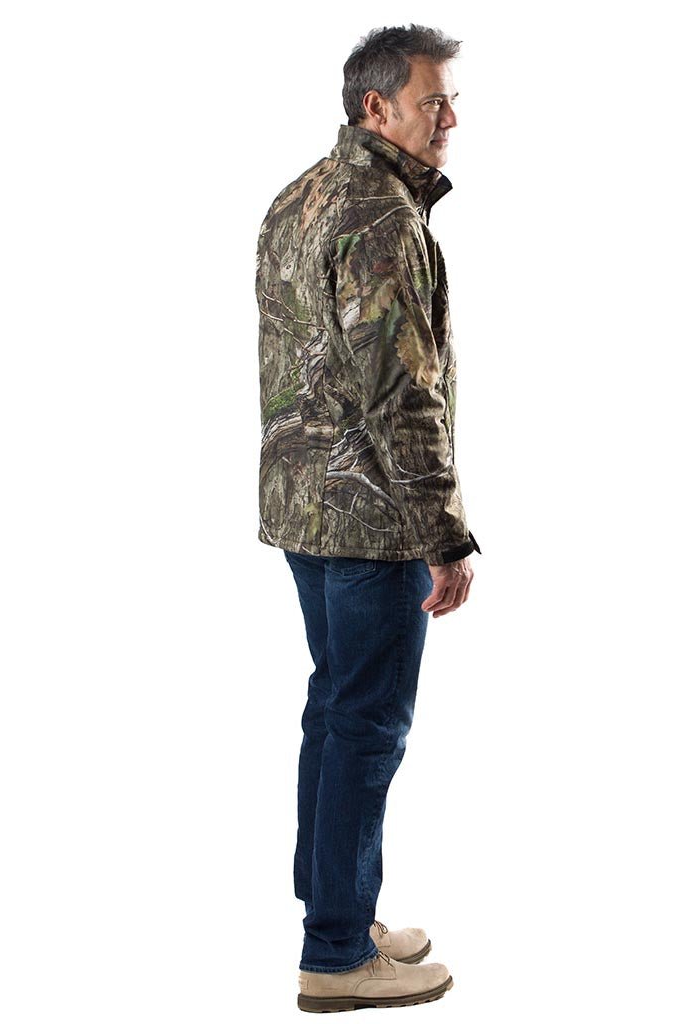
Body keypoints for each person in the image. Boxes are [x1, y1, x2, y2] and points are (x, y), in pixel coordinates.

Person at [255, 24, 482, 1012]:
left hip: (302, 506)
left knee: (335, 711)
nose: (451, 117)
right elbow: (402, 394)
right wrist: (446, 535)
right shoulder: (383, 218)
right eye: (434, 101)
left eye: (452, 100)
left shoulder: (299, 195)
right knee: (366, 723)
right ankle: (338, 952)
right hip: (371, 516)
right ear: (376, 107)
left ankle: (339, 908)